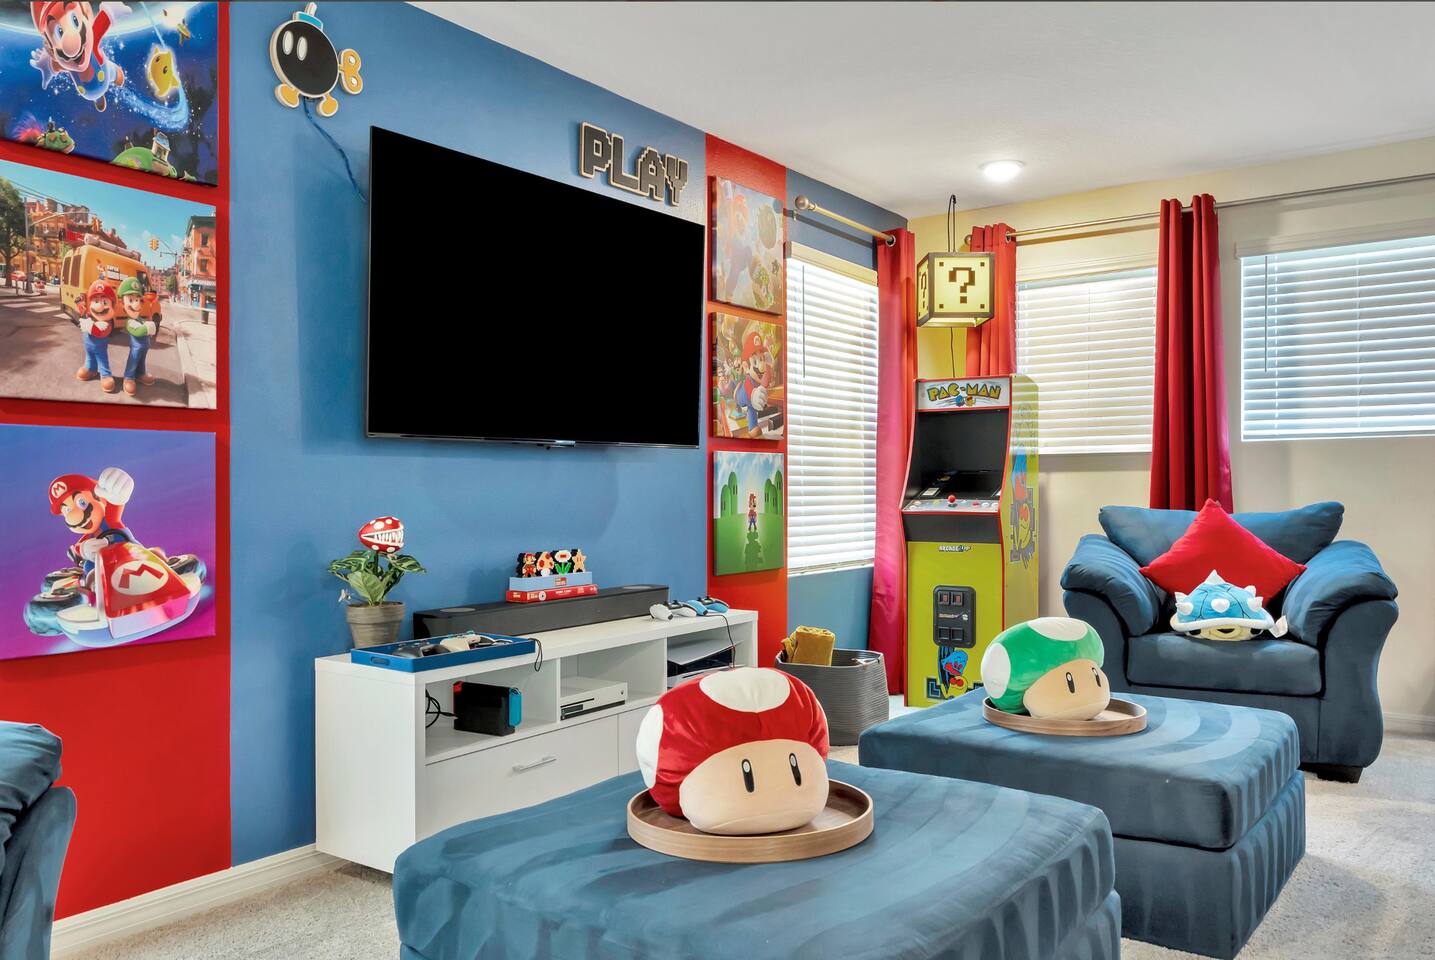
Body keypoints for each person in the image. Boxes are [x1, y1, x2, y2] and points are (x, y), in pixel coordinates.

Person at [117, 276, 157, 396]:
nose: (137, 303)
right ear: (122, 303)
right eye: (131, 300)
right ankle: (129, 377)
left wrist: (149, 324)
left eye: (138, 299)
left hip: (144, 347)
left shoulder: (139, 318)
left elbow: (144, 324)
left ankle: (140, 374)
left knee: (141, 361)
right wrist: (147, 328)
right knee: (133, 360)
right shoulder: (129, 321)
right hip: (136, 348)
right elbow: (137, 331)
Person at [76, 279, 117, 393]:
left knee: (102, 359)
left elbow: (99, 332)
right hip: (88, 347)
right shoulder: (90, 316)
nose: (99, 306)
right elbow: (83, 314)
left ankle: (105, 375)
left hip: (100, 348)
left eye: (104, 302)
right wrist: (81, 306)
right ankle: (90, 369)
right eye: (96, 301)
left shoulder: (106, 324)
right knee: (89, 358)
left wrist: (89, 326)